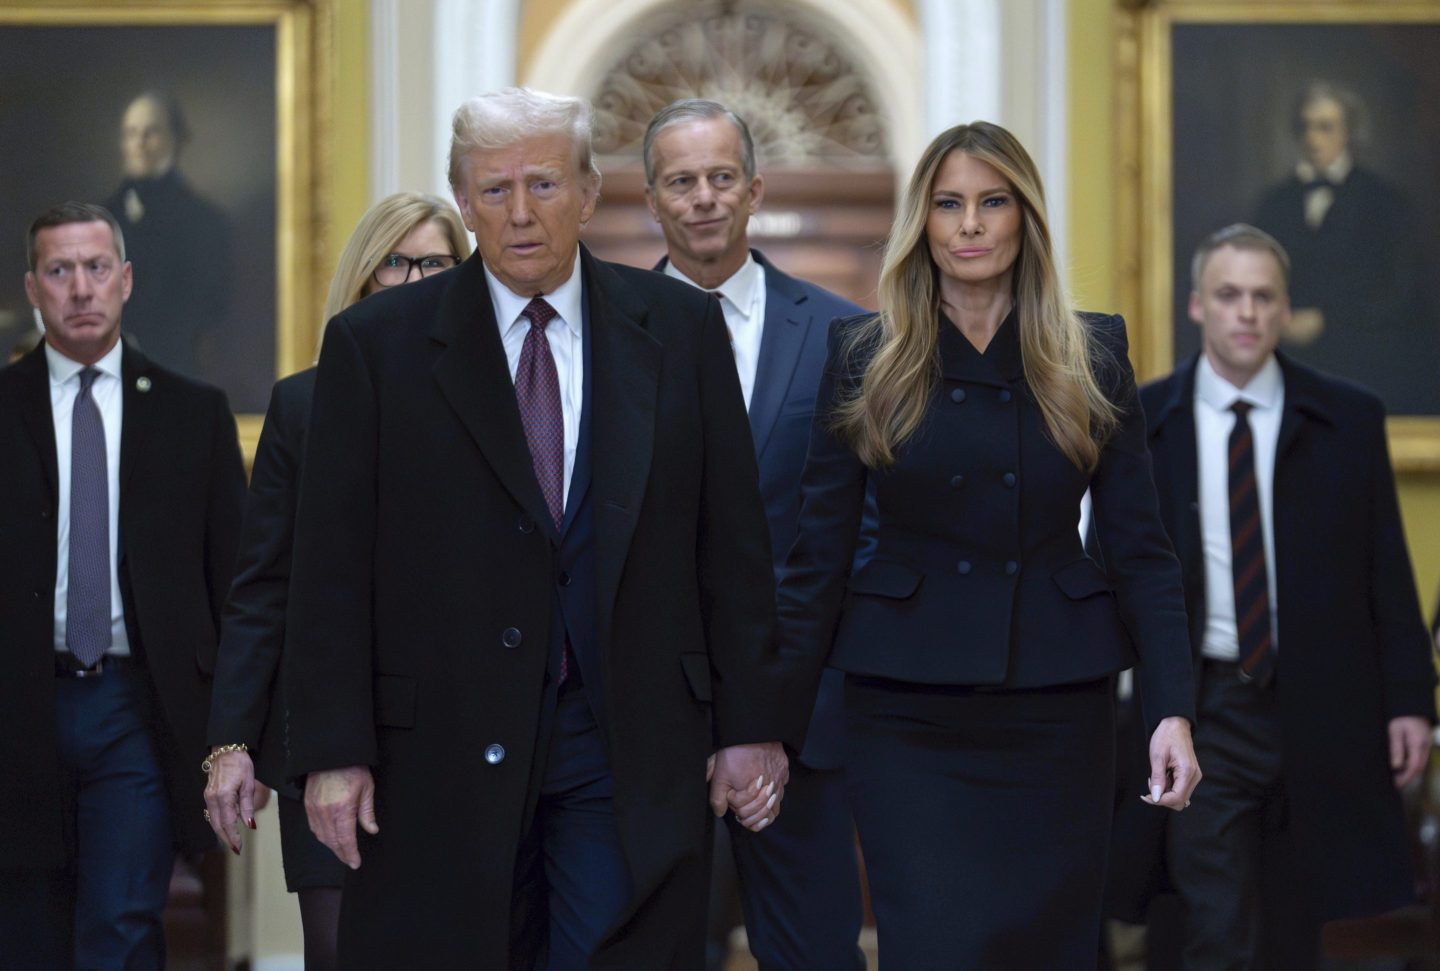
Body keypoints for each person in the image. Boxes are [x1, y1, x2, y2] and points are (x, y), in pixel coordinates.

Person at [281, 87, 790, 969]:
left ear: (589, 193)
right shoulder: (377, 344)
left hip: (621, 736)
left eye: (544, 185)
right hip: (437, 746)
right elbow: (331, 567)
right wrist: (333, 749)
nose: (520, 213)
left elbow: (732, 545)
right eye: (494, 189)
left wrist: (749, 724)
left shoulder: (679, 328)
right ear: (464, 200)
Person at [774, 121, 1201, 969]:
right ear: (923, 223)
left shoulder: (1090, 352)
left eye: (992, 202)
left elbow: (1141, 551)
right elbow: (818, 558)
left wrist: (1171, 709)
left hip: (1057, 705)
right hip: (906, 709)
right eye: (949, 204)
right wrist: (769, 727)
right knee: (934, 943)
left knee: (1046, 948)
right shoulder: (866, 355)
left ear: (1025, 218)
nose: (970, 223)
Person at [1116, 223, 1436, 970]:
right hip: (1205, 700)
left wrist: (1410, 700)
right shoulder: (1146, 421)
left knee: (1298, 915)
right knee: (1213, 917)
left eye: (1264, 297)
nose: (1247, 312)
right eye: (1229, 295)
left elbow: (1385, 568)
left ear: (1286, 309)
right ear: (1197, 305)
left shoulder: (1346, 418)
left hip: (1322, 701)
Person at [201, 192, 470, 971]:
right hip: (327, 726)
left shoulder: (498, 397)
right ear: (364, 275)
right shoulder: (304, 403)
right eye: (396, 262)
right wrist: (231, 741)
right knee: (339, 948)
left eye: (436, 263)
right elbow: (264, 585)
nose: (414, 280)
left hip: (458, 730)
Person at [642, 98, 866, 971]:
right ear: (652, 200)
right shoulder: (600, 333)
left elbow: (861, 535)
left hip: (805, 725)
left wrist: (783, 705)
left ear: (754, 190)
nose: (703, 197)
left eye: (721, 177)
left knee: (815, 954)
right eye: (681, 181)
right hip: (648, 726)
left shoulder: (844, 334)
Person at [0, 201, 246, 968]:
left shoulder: (192, 415)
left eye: (96, 267)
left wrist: (235, 735)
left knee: (122, 927)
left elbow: (236, 587)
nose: (81, 287)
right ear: (33, 287)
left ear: (127, 280)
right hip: (18, 704)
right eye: (59, 270)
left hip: (135, 705)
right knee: (27, 936)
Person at [1251, 81, 1434, 414]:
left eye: (1325, 127)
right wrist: (1280, 319)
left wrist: (1327, 320)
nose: (1313, 138)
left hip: (1365, 360)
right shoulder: (1274, 204)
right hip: (1287, 363)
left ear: (1349, 133)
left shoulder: (1386, 202)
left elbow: (1399, 288)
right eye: (1305, 127)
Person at [105, 91, 234, 381]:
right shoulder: (99, 218)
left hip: (174, 370)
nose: (139, 143)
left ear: (175, 140)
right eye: (131, 133)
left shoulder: (206, 223)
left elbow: (211, 308)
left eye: (150, 132)